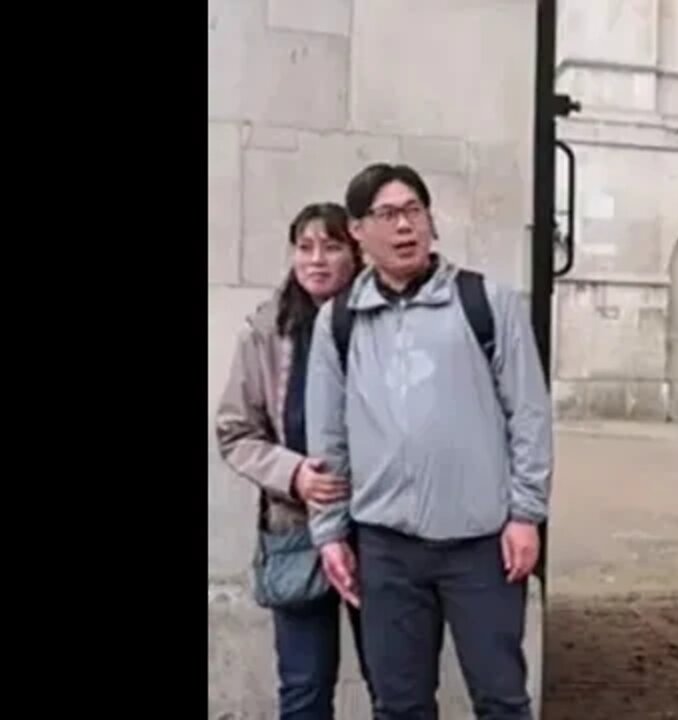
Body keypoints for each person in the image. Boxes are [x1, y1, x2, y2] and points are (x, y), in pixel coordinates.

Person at [305, 163, 552, 720]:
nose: (404, 226)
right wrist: (329, 533)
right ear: (358, 232)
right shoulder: (339, 322)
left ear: (431, 222)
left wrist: (525, 515)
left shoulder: (487, 302)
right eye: (387, 215)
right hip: (387, 549)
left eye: (414, 210)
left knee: (502, 700)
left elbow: (530, 417)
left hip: (482, 547)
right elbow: (328, 440)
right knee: (398, 705)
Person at [215, 202, 375, 720]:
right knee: (304, 689)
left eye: (331, 246)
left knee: (395, 683)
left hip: (376, 530)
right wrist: (294, 474)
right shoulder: (265, 330)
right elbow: (235, 431)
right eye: (305, 247)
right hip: (294, 531)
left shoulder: (383, 323)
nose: (317, 260)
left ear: (354, 253)